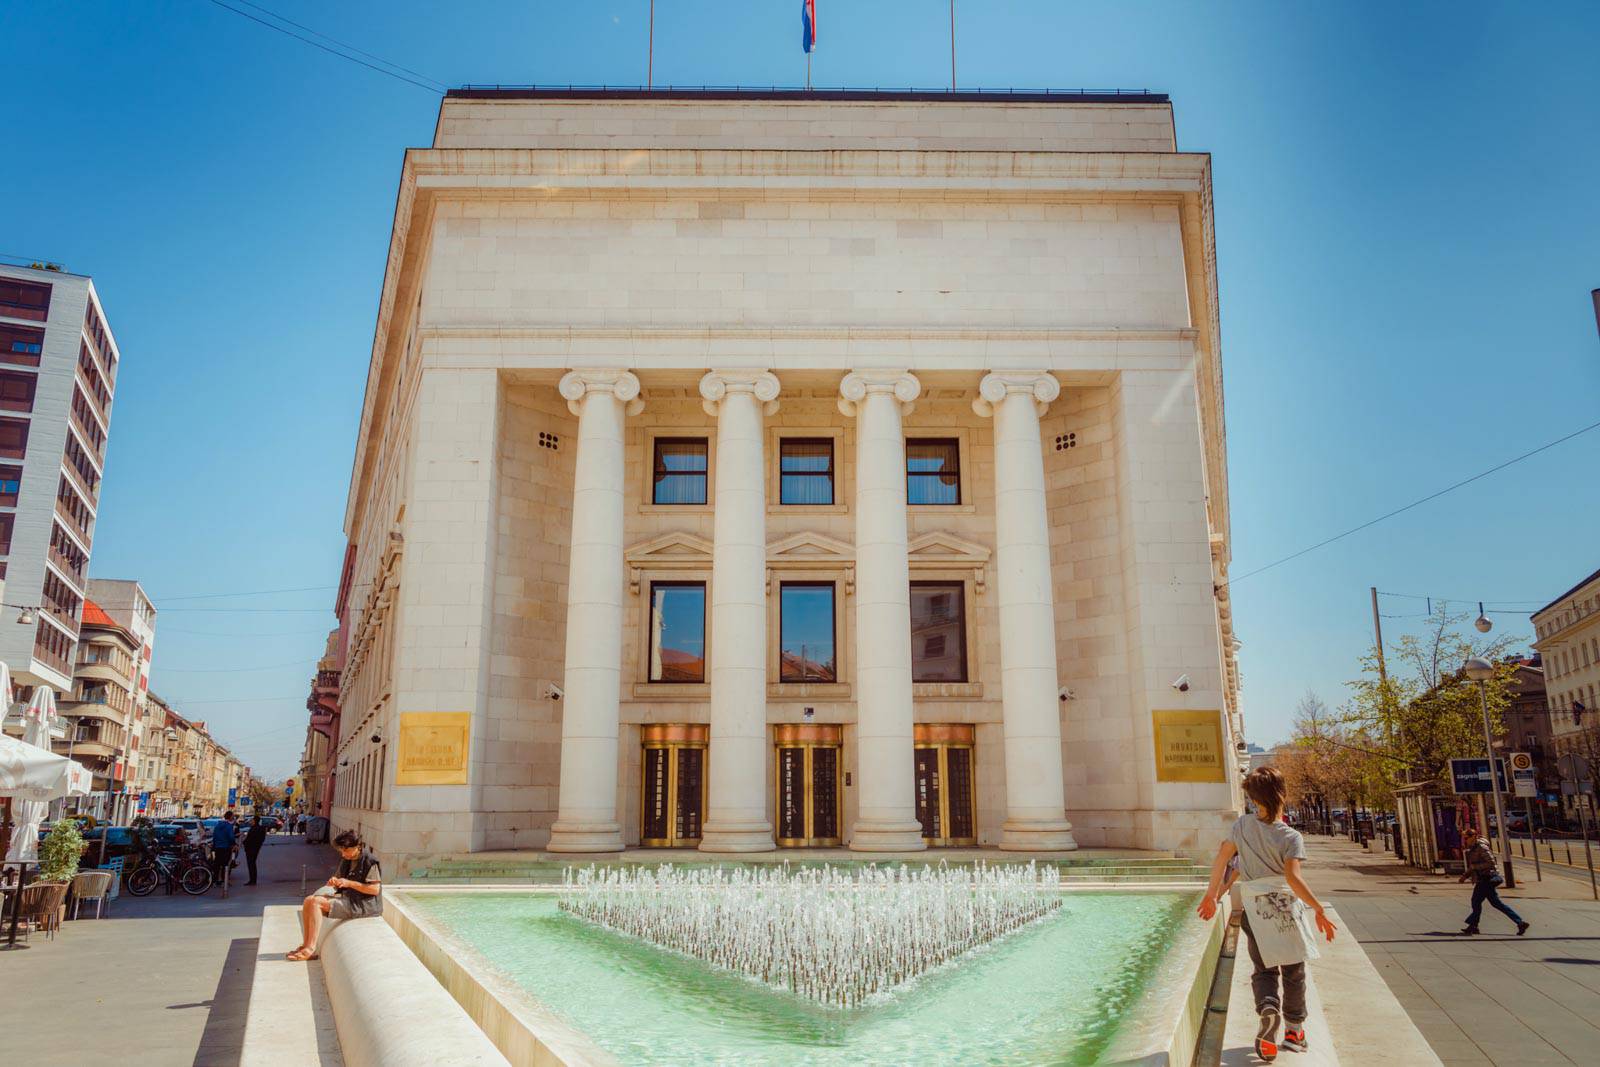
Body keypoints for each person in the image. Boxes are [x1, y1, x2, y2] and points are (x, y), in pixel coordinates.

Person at [1198, 767, 1337, 1062]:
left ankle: (1267, 1007)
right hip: (1284, 910)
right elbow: (1294, 879)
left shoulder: (1241, 827)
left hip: (1254, 910)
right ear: (1281, 794)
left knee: (1263, 969)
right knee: (1294, 971)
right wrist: (1319, 909)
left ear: (1253, 797)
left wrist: (1212, 896)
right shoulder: (1290, 836)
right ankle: (1294, 1032)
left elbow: (1225, 862)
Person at [287, 830, 381, 961]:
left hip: (362, 906)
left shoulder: (370, 862)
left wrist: (350, 883)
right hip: (349, 899)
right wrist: (335, 881)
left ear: (357, 847)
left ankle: (311, 948)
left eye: (345, 850)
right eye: (341, 851)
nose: (343, 854)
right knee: (309, 900)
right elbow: (339, 879)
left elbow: (375, 889)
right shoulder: (347, 859)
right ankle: (305, 945)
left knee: (316, 903)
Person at [1459, 827, 1529, 936]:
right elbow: (1473, 866)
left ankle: (1473, 925)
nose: (1465, 840)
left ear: (1473, 837)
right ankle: (1520, 922)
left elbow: (1491, 863)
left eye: (1466, 838)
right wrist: (1465, 875)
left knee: (1476, 901)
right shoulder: (1473, 847)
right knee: (1496, 903)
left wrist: (1475, 867)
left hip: (1487, 878)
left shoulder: (1481, 847)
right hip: (1483, 878)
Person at [210, 811, 238, 885]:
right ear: (230, 817)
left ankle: (215, 880)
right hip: (226, 847)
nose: (233, 817)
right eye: (233, 816)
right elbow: (231, 837)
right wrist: (234, 844)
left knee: (217, 864)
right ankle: (224, 880)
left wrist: (215, 845)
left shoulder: (218, 825)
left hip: (218, 848)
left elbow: (214, 836)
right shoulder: (228, 826)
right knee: (226, 865)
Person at [242, 814, 267, 886]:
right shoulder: (261, 829)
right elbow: (262, 839)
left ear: (255, 821)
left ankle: (252, 880)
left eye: (252, 820)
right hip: (256, 848)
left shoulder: (253, 829)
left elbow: (249, 839)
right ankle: (253, 879)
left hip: (251, 849)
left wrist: (244, 842)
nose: (251, 821)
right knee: (252, 864)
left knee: (251, 864)